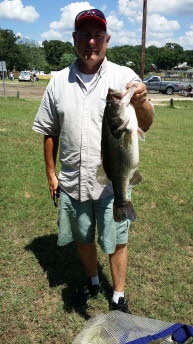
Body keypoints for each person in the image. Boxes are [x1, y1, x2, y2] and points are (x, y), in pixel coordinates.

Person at [32, 9, 154, 313]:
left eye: (97, 35)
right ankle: (92, 280)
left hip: (112, 184)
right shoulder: (58, 82)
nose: (91, 41)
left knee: (117, 240)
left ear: (107, 40)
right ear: (74, 38)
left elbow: (147, 122)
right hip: (72, 181)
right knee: (83, 237)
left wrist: (141, 101)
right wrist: (51, 174)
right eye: (84, 35)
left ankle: (118, 296)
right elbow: (49, 132)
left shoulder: (123, 77)